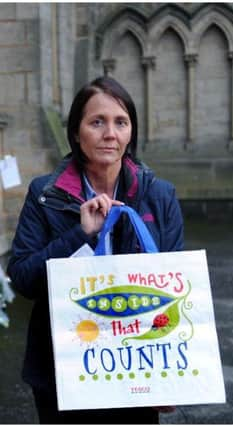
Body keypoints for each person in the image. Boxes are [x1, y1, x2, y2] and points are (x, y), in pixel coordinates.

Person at [7, 76, 184, 424]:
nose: (110, 134)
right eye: (97, 122)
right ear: (76, 132)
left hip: (139, 370)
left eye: (121, 122)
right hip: (64, 369)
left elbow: (174, 287)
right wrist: (81, 235)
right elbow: (23, 278)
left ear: (131, 132)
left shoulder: (160, 196)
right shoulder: (45, 194)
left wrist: (172, 377)